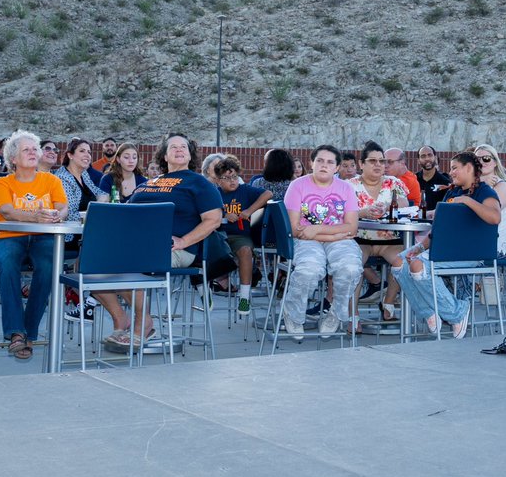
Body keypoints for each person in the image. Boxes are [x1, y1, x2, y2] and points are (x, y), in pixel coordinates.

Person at [99, 133, 223, 349]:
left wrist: (184, 241)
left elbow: (214, 219)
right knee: (90, 263)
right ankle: (122, 319)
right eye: (173, 147)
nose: (179, 149)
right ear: (164, 155)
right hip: (137, 245)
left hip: (174, 249)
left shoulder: (199, 183)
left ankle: (143, 323)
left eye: (183, 146)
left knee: (128, 265)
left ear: (190, 154)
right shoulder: (152, 181)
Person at [391, 151, 499, 338]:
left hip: (472, 254)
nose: (451, 172)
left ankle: (456, 313)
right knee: (399, 262)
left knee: (418, 266)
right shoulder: (452, 191)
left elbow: (495, 217)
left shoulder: (485, 191)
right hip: (446, 249)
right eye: (450, 169)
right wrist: (419, 247)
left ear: (469, 168)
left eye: (454, 168)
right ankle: (430, 312)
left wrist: (467, 201)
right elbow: (440, 228)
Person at [0, 131, 68, 360]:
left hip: (44, 237)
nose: (33, 152)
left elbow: (62, 206)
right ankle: (16, 332)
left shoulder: (52, 180)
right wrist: (36, 216)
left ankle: (29, 332)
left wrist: (58, 216)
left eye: (35, 148)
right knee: (8, 263)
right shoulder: (2, 182)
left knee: (49, 267)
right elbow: (6, 210)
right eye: (26, 149)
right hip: (9, 236)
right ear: (13, 159)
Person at [282, 145, 363, 339]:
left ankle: (336, 313)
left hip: (331, 238)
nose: (324, 165)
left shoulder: (346, 188)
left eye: (330, 162)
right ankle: (293, 313)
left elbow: (352, 227)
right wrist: (333, 234)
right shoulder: (297, 186)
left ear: (336, 168)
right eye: (320, 160)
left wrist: (318, 229)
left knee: (350, 268)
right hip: (306, 240)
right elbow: (294, 228)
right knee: (309, 270)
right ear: (311, 163)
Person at [351, 146, 408, 322]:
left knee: (404, 261)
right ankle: (353, 314)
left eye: (381, 161)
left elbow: (405, 202)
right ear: (361, 164)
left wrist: (389, 205)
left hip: (388, 239)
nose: (378, 165)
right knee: (353, 266)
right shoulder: (350, 185)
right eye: (372, 161)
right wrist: (363, 212)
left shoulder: (393, 182)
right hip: (360, 238)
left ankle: (388, 302)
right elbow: (342, 213)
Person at [213, 157, 271, 315]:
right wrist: (224, 214)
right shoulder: (214, 193)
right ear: (218, 180)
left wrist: (249, 211)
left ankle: (244, 297)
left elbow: (268, 194)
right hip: (218, 235)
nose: (232, 181)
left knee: (246, 251)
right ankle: (206, 288)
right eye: (227, 178)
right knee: (206, 251)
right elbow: (205, 211)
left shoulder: (245, 190)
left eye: (234, 177)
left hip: (239, 236)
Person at [475, 144, 506, 256]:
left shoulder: (502, 186)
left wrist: (480, 183)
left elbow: (487, 214)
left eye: (486, 159)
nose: (481, 163)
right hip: (478, 242)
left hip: (497, 248)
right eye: (477, 160)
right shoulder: (476, 185)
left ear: (495, 163)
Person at [416, 146, 451, 210]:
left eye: (430, 155)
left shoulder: (445, 182)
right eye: (423, 156)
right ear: (418, 161)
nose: (427, 158)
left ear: (435, 158)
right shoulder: (414, 180)